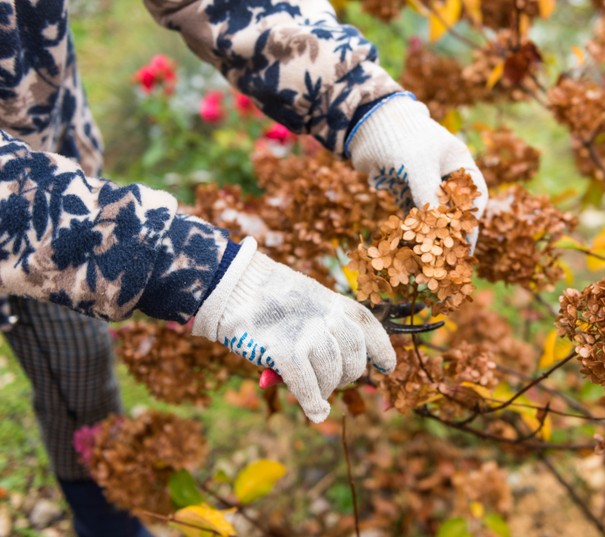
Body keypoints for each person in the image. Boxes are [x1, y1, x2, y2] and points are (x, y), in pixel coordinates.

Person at [0, 0, 488, 535]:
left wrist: (361, 101)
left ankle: (108, 526)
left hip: (49, 150)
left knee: (77, 365)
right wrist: (193, 270)